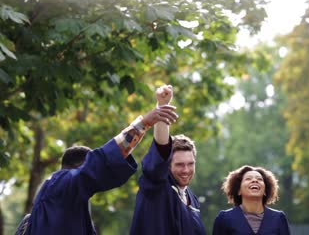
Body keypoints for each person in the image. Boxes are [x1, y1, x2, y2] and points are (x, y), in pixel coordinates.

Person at [16, 101, 178, 235]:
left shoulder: (67, 204)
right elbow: (100, 161)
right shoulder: (60, 184)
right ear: (80, 168)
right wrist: (144, 123)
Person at [130, 85, 206, 235]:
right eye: (179, 164)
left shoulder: (192, 199)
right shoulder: (157, 185)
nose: (186, 170)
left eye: (190, 164)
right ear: (167, 165)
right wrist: (162, 107)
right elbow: (161, 147)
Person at [212, 165, 291, 235]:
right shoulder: (224, 218)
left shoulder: (279, 218)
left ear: (265, 191)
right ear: (239, 190)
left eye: (259, 179)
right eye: (248, 179)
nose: (254, 180)